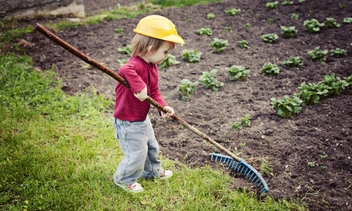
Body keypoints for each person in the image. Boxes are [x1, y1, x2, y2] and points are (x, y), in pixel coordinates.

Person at [112, 15, 185, 193]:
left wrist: (163, 107)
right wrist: (139, 86)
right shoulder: (135, 65)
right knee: (137, 153)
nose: (166, 56)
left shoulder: (152, 66)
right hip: (127, 121)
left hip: (141, 119)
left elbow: (154, 92)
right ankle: (124, 179)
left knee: (151, 147)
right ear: (151, 48)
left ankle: (151, 171)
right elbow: (124, 69)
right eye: (165, 52)